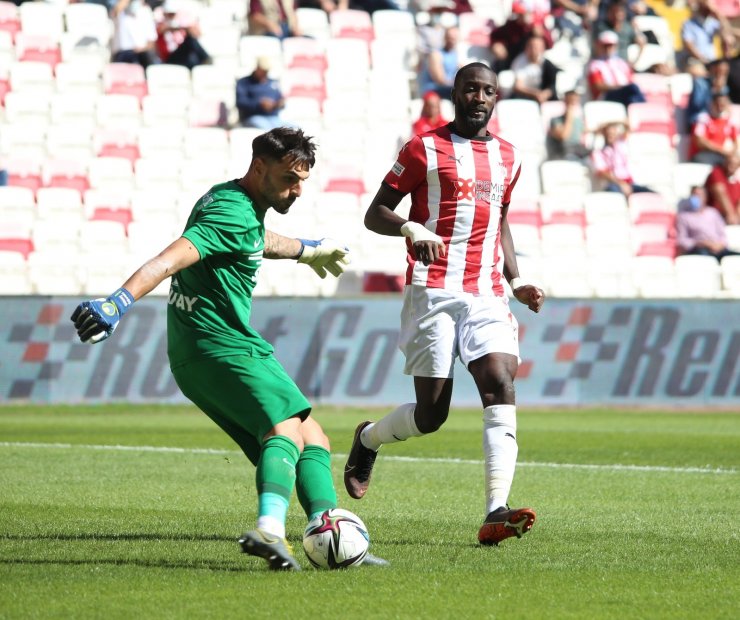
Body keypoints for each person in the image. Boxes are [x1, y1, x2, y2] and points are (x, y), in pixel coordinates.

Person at [69, 127, 386, 571]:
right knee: (285, 433)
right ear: (259, 167)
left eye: (302, 181)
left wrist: (306, 250)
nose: (296, 191)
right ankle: (269, 530)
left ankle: (327, 527)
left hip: (210, 348)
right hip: (219, 345)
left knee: (314, 437)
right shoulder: (229, 213)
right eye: (288, 179)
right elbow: (169, 259)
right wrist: (117, 302)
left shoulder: (237, 203)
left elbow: (256, 240)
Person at [343, 62, 545, 546]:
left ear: (496, 98)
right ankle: (367, 439)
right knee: (432, 416)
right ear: (455, 92)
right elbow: (375, 213)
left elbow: (500, 222)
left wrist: (517, 280)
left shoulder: (509, 158)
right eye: (471, 89)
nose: (479, 97)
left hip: (487, 291)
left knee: (499, 379)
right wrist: (409, 227)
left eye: (488, 91)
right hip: (432, 289)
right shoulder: (423, 149)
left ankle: (496, 509)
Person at [676, 185, 740, 261]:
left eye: (699, 195)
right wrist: (700, 243)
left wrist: (719, 245)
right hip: (700, 250)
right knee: (704, 257)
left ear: (705, 197)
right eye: (694, 195)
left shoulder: (713, 213)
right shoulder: (684, 216)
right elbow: (682, 240)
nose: (697, 198)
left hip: (718, 248)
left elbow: (722, 235)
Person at [591, 121, 653, 196]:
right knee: (616, 195)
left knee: (651, 194)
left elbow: (628, 126)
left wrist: (612, 122)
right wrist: (621, 183)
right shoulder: (599, 153)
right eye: (608, 134)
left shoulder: (621, 144)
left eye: (612, 133)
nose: (610, 136)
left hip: (629, 183)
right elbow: (603, 173)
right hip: (613, 184)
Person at [586, 30, 646, 106]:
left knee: (633, 97)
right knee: (632, 89)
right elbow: (598, 86)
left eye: (610, 45)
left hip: (624, 94)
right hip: (606, 96)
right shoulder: (595, 65)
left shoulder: (622, 63)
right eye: (605, 45)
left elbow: (630, 80)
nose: (608, 49)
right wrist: (619, 87)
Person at [489, 1, 553, 73]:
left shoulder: (538, 26)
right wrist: (497, 45)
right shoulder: (511, 25)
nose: (521, 16)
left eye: (523, 13)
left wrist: (542, 34)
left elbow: (550, 44)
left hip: (533, 66)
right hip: (512, 64)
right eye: (519, 13)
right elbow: (495, 36)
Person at [154, 0, 211, 70]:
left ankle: (204, 62)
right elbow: (162, 29)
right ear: (164, 13)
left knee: (193, 59)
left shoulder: (179, 24)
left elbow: (197, 33)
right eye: (169, 14)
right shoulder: (160, 25)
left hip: (180, 55)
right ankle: (205, 58)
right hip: (169, 58)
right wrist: (181, 27)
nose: (171, 16)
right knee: (190, 40)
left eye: (173, 14)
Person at [690, 88, 740, 166]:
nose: (720, 107)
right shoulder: (703, 119)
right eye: (717, 104)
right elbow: (700, 142)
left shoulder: (729, 122)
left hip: (722, 155)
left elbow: (736, 141)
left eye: (723, 104)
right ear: (712, 104)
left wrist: (732, 153)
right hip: (705, 154)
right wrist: (722, 151)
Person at [680, 0, 735, 69]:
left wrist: (717, 13)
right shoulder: (688, 24)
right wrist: (704, 61)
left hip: (711, 62)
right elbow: (688, 46)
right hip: (696, 62)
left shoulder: (712, 23)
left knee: (728, 38)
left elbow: (727, 30)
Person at [236, 56, 286, 130]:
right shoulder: (244, 82)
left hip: (273, 118)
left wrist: (279, 103)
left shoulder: (273, 82)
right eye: (263, 70)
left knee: (295, 128)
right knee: (269, 130)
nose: (265, 73)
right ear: (257, 68)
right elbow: (240, 103)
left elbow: (280, 99)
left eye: (267, 71)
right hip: (253, 117)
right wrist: (259, 104)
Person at [510, 34, 560, 103]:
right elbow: (518, 86)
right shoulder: (519, 62)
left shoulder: (548, 64)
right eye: (531, 46)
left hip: (543, 98)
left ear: (542, 49)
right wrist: (536, 94)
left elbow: (552, 85)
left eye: (536, 47)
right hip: (524, 97)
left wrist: (545, 94)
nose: (533, 50)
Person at [111, 0, 160, 68]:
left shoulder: (146, 12)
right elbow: (115, 12)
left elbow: (151, 42)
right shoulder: (121, 12)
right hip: (122, 55)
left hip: (141, 56)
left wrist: (141, 49)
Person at [417, 26, 461, 101]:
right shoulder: (436, 54)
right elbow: (440, 80)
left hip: (449, 88)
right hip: (433, 90)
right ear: (445, 37)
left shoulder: (454, 54)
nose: (452, 40)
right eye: (450, 37)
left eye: (454, 38)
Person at [546, 89, 590, 161]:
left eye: (576, 98)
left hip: (578, 149)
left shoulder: (578, 120)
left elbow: (586, 130)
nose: (575, 101)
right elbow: (563, 136)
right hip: (563, 151)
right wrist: (569, 118)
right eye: (572, 98)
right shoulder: (555, 120)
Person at [686, 58, 729, 130]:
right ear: (712, 70)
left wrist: (719, 90)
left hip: (716, 121)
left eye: (724, 72)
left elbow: (724, 107)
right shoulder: (700, 83)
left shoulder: (724, 88)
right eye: (718, 71)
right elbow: (697, 105)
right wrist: (713, 90)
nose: (720, 74)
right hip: (699, 121)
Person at [705, 151, 740, 224]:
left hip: (730, 218)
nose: (731, 167)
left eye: (735, 165)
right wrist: (730, 214)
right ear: (725, 162)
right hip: (715, 216)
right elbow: (720, 193)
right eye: (729, 163)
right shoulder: (717, 172)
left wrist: (737, 216)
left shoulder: (737, 183)